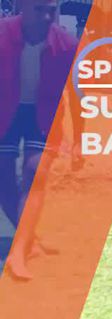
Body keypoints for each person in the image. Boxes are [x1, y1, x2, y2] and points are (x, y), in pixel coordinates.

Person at [0, 0, 77, 279]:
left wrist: (78, 137)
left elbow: (74, 96)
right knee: (4, 179)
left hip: (41, 117)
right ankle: (28, 238)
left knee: (34, 176)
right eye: (39, 9)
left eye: (52, 10)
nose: (46, 16)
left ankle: (19, 252)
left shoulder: (67, 45)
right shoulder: (2, 34)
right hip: (4, 112)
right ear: (23, 6)